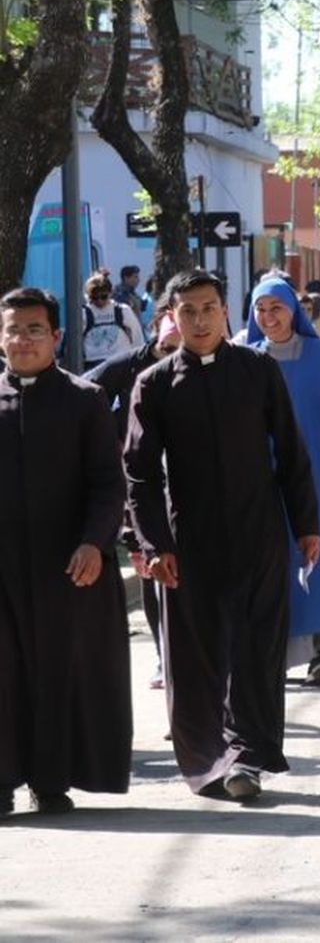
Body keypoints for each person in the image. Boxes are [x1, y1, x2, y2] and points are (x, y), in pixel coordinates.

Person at [124, 270, 320, 801]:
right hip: (189, 538)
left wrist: (306, 524)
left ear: (225, 311)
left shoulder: (257, 370)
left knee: (255, 648)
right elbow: (140, 473)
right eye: (187, 311)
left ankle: (246, 757)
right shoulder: (155, 384)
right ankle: (210, 760)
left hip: (258, 529)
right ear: (172, 317)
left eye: (208, 308)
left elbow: (291, 450)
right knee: (198, 653)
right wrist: (153, 544)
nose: (200, 320)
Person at [0, 288, 133, 816]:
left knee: (59, 672)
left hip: (65, 566)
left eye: (34, 329)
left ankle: (50, 780)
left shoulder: (84, 400)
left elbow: (108, 483)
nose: (22, 340)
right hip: (3, 567)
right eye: (13, 329)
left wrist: (94, 542)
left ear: (56, 336)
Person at [245, 278, 320, 685]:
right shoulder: (246, 360)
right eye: (261, 309)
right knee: (273, 564)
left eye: (276, 308)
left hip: (318, 476)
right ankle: (276, 653)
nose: (269, 317)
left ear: (293, 311)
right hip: (264, 480)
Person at [86, 312, 181, 686]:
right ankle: (164, 657)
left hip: (192, 487)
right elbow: (87, 392)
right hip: (142, 484)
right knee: (149, 565)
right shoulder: (129, 366)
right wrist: (112, 438)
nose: (173, 357)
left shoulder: (205, 364)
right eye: (167, 348)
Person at [81, 271, 143, 369]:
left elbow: (137, 335)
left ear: (110, 293)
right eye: (94, 298)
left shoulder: (122, 310)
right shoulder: (84, 313)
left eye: (103, 297)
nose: (99, 301)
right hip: (93, 362)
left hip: (120, 360)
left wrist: (139, 359)